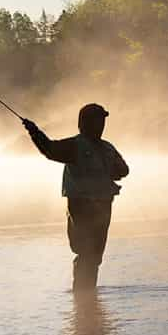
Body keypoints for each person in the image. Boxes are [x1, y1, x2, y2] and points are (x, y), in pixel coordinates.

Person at [23, 104, 130, 291]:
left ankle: (85, 298)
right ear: (84, 123)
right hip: (81, 205)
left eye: (102, 120)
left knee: (95, 255)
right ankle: (83, 296)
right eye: (97, 120)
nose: (101, 124)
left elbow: (124, 170)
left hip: (103, 206)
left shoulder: (107, 148)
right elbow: (49, 149)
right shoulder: (75, 146)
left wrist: (112, 171)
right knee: (85, 250)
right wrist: (34, 131)